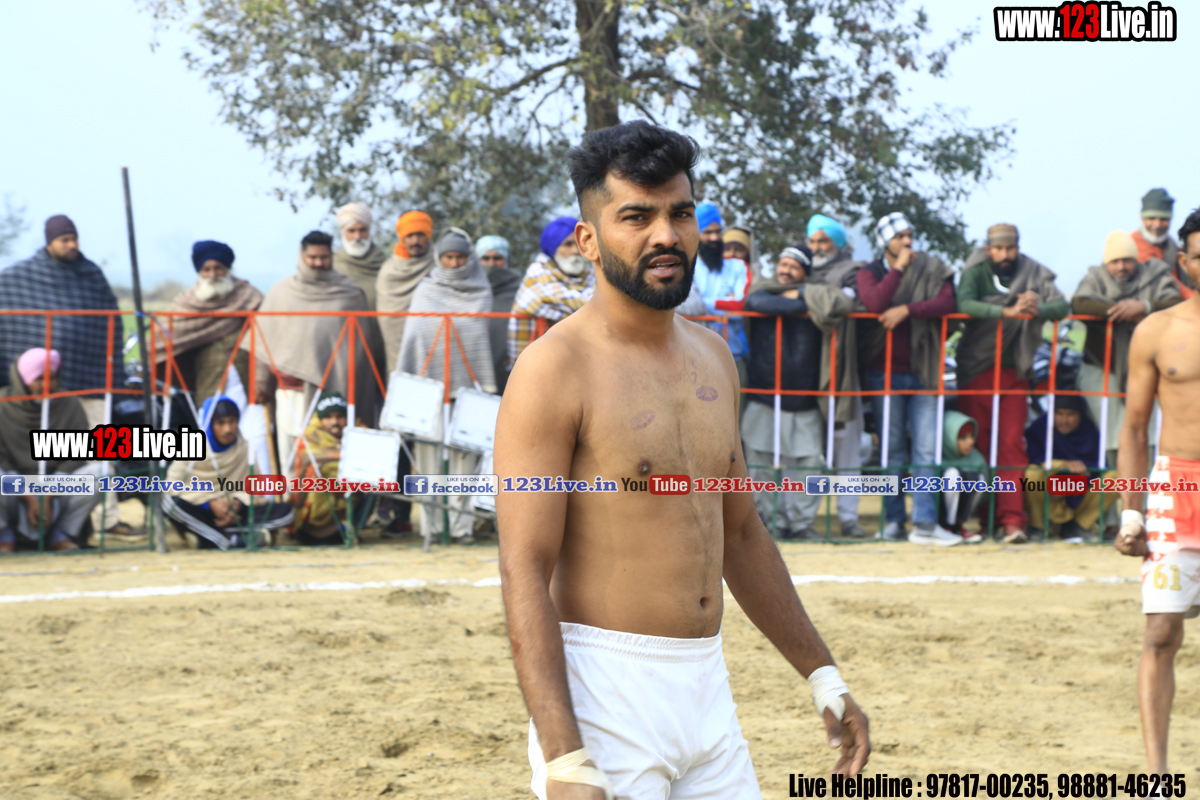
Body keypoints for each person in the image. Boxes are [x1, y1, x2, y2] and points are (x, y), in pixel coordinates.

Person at [497, 120, 869, 800]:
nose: (665, 235)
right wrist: (563, 755)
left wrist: (822, 675)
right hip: (602, 695)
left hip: (708, 692)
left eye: (680, 213)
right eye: (636, 217)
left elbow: (742, 534)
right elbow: (524, 566)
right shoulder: (553, 370)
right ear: (588, 240)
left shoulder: (714, 358)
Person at [1113, 206, 1200, 778]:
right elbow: (1134, 428)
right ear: (1184, 262)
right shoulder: (1156, 331)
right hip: (1177, 490)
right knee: (1162, 631)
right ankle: (1157, 777)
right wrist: (1130, 512)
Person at [0, 215, 128, 537]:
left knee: (98, 453)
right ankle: (15, 528)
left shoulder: (91, 276)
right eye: (64, 240)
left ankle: (109, 521)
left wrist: (113, 374)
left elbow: (110, 323)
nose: (72, 245)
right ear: (49, 243)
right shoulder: (19, 278)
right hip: (36, 387)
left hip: (89, 377)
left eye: (74, 238)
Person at [956, 223, 1068, 543]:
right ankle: (982, 517)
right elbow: (964, 303)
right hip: (976, 368)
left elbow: (1062, 306)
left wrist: (1036, 309)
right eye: (999, 248)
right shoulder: (976, 270)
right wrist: (1005, 312)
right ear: (989, 249)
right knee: (978, 444)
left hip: (1014, 371)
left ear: (1018, 248)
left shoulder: (1032, 271)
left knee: (1011, 445)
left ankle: (1012, 521)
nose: (1005, 254)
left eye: (1010, 248)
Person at [856, 212, 958, 545]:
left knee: (926, 450)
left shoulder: (931, 267)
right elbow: (875, 302)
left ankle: (925, 524)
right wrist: (898, 269)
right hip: (884, 373)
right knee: (892, 451)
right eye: (900, 236)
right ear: (886, 241)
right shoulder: (870, 272)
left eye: (910, 235)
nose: (908, 241)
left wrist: (907, 310)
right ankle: (894, 522)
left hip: (924, 371)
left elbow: (947, 301)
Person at [249, 230, 382, 483]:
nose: (318, 263)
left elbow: (359, 351)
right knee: (291, 455)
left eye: (324, 257)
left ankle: (333, 507)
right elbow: (263, 342)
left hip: (335, 396)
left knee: (331, 459)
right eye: (312, 257)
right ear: (302, 256)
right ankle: (291, 505)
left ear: (331, 256)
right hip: (291, 391)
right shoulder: (282, 292)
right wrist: (261, 382)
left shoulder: (349, 293)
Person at [398, 229, 496, 544]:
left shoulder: (481, 290)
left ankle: (460, 527)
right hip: (429, 390)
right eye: (448, 257)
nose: (454, 263)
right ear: (439, 259)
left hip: (468, 388)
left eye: (460, 257)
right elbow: (416, 336)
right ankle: (432, 525)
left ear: (469, 258)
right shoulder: (426, 290)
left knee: (466, 459)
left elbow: (478, 337)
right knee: (428, 458)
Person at [1072, 231, 1181, 472]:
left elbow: (1175, 303)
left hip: (1150, 368)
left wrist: (1145, 306)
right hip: (1102, 367)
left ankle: (1149, 490)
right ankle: (1119, 486)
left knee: (1149, 431)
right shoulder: (1095, 277)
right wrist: (1122, 310)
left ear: (1136, 260)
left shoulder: (1154, 274)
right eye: (1115, 261)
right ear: (1106, 263)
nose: (1121, 267)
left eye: (1127, 260)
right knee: (1111, 432)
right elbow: (1079, 303)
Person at [741, 245, 827, 539]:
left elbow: (838, 302)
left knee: (811, 463)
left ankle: (802, 524)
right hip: (764, 391)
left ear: (806, 273)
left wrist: (802, 295)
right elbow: (755, 300)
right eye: (783, 264)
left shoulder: (820, 292)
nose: (785, 271)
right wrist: (804, 300)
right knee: (760, 462)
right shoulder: (764, 289)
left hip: (804, 395)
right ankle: (772, 522)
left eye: (794, 267)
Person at [0, 349, 102, 552]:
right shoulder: (3, 404)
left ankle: (61, 534)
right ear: (23, 379)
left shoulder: (69, 404)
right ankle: (4, 535)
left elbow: (76, 455)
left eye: (52, 378)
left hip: (56, 488)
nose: (47, 385)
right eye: (39, 379)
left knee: (102, 474)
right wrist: (29, 496)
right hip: (11, 489)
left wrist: (47, 494)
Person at [806, 213, 868, 539]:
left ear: (838, 244)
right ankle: (802, 519)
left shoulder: (853, 271)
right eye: (813, 241)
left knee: (846, 447)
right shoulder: (800, 269)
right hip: (805, 371)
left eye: (824, 241)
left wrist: (809, 296)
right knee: (807, 447)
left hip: (842, 370)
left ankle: (848, 517)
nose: (817, 247)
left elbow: (847, 303)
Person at [163, 395, 294, 549]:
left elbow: (257, 491)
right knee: (170, 504)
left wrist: (237, 504)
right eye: (221, 423)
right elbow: (172, 486)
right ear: (209, 424)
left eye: (232, 421)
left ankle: (209, 538)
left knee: (285, 511)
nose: (228, 429)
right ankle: (232, 539)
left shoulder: (245, 448)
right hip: (202, 511)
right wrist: (210, 504)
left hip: (237, 514)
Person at [156, 240, 262, 405]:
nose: (213, 274)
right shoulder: (186, 303)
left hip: (248, 378)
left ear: (228, 269)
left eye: (218, 268)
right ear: (200, 272)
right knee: (211, 418)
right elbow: (162, 337)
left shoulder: (249, 296)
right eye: (206, 269)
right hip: (208, 380)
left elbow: (266, 332)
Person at [507, 216, 595, 371]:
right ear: (553, 249)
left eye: (578, 244)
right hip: (542, 363)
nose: (575, 251)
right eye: (568, 244)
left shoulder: (590, 274)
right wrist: (593, 309)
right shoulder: (538, 271)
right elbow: (536, 301)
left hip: (586, 360)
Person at [1023, 396, 1114, 541]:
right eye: (1059, 413)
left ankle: (1077, 527)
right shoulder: (1039, 429)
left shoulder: (1088, 432)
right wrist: (1061, 464)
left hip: (1077, 493)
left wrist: (1068, 487)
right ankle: (1037, 527)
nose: (1064, 420)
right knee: (1033, 473)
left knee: (1116, 477)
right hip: (1046, 495)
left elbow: (1094, 470)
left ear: (1080, 415)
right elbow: (1033, 460)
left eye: (1071, 414)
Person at [292, 392, 365, 546]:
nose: (334, 422)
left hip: (352, 494)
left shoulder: (360, 432)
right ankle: (317, 532)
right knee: (316, 473)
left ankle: (352, 529)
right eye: (328, 417)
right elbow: (309, 460)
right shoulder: (309, 436)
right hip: (317, 507)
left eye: (340, 416)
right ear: (320, 419)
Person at [377, 210, 437, 372]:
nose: (415, 241)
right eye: (410, 236)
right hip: (397, 346)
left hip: (433, 344)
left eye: (420, 235)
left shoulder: (439, 264)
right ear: (402, 238)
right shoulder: (389, 271)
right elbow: (388, 320)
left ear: (428, 236)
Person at [477, 234, 521, 394]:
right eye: (485, 258)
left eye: (497, 258)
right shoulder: (467, 289)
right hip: (474, 366)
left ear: (506, 260)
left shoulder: (520, 290)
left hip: (509, 369)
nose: (491, 264)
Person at [937, 410, 989, 541]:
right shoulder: (934, 456)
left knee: (978, 479)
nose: (971, 441)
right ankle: (944, 526)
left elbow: (986, 491)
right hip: (936, 513)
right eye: (963, 437)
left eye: (972, 436)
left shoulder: (976, 458)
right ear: (948, 438)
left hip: (961, 512)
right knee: (952, 475)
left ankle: (957, 526)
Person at [333, 202, 389, 309]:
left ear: (369, 230)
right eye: (351, 231)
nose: (357, 237)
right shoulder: (333, 264)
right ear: (343, 233)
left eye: (362, 230)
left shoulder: (386, 263)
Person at [1132, 188, 1180, 272]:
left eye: (1163, 219)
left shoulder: (1172, 246)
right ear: (1142, 219)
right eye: (1152, 218)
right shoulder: (1132, 244)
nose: (1157, 225)